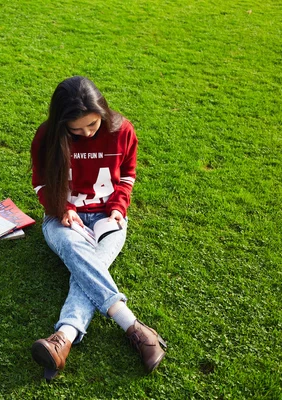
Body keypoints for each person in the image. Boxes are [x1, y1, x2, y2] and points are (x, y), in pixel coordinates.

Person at [30, 76, 167, 381]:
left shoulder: (122, 130)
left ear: (102, 112)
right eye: (75, 130)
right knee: (75, 250)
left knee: (88, 267)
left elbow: (128, 176)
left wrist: (118, 208)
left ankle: (62, 339)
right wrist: (62, 208)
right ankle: (134, 327)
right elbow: (40, 182)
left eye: (92, 125)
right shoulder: (46, 135)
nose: (86, 134)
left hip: (109, 215)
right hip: (63, 217)